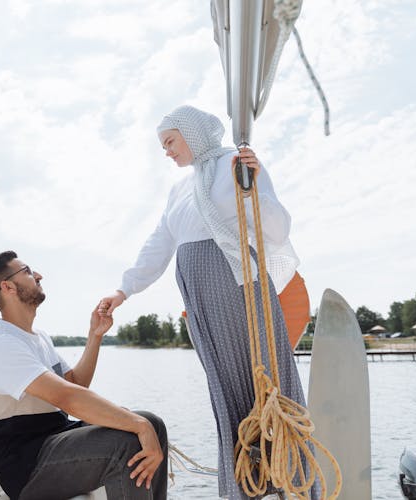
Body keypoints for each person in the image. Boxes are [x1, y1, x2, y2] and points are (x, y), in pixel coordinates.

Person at [98, 105, 315, 499]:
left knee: (264, 380)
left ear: (192, 134)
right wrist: (123, 290)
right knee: (226, 387)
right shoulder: (179, 189)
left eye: (169, 142)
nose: (166, 152)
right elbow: (159, 245)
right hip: (201, 299)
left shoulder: (237, 163)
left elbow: (278, 227)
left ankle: (291, 482)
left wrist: (251, 188)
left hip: (238, 289)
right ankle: (246, 487)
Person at [0, 251, 168, 500]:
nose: (38, 275)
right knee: (127, 444)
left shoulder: (38, 338)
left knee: (153, 423)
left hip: (56, 439)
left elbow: (76, 383)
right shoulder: (2, 344)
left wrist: (95, 335)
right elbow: (66, 397)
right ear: (7, 287)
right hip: (27, 466)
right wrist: (137, 426)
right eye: (26, 271)